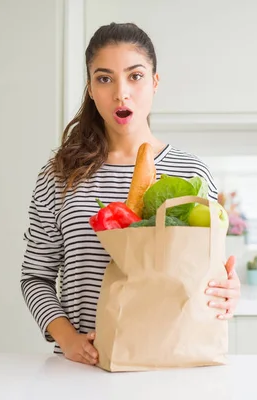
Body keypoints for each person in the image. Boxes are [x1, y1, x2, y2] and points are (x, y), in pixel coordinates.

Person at [20, 22, 241, 366]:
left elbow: (208, 273)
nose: (121, 93)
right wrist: (67, 339)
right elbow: (35, 276)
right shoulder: (60, 176)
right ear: (91, 89)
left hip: (169, 368)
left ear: (154, 83)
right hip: (83, 370)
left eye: (135, 76)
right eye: (104, 78)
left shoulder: (192, 174)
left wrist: (229, 291)